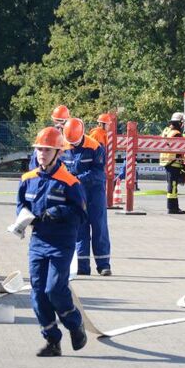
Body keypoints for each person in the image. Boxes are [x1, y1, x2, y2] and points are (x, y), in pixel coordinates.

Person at [16, 127, 88, 356]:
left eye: (47, 150)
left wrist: (58, 211)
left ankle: (75, 324)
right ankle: (52, 341)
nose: (41, 154)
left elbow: (81, 212)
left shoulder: (69, 181)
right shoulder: (28, 179)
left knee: (54, 289)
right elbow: (21, 205)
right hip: (38, 241)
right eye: (39, 150)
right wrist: (22, 219)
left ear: (58, 152)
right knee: (38, 293)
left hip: (61, 242)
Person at [63, 118, 112, 276]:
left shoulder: (94, 146)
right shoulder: (63, 147)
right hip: (76, 195)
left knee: (99, 227)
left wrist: (78, 178)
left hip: (94, 192)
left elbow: (98, 172)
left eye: (76, 142)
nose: (74, 145)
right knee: (79, 229)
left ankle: (103, 265)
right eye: (71, 142)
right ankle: (82, 266)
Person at [160, 112, 185, 214]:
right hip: (173, 162)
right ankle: (172, 208)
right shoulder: (176, 133)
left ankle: (173, 207)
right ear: (179, 123)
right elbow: (180, 139)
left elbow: (179, 137)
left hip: (167, 161)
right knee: (173, 186)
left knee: (171, 185)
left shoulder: (167, 131)